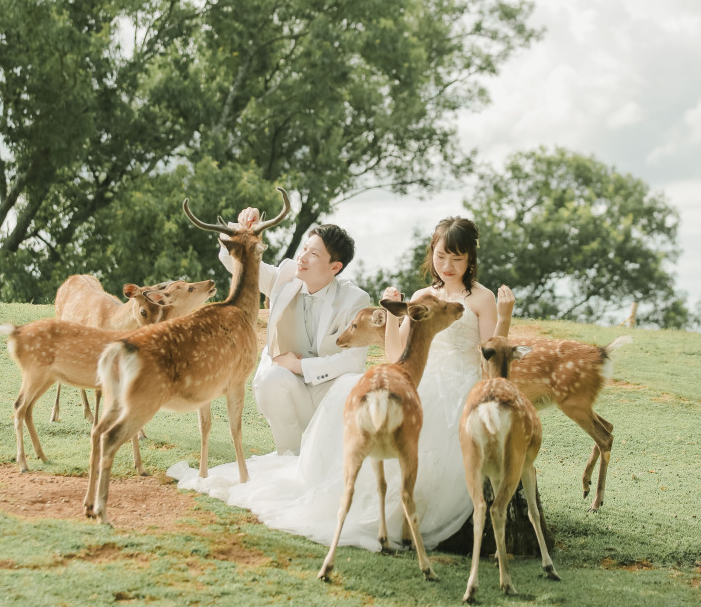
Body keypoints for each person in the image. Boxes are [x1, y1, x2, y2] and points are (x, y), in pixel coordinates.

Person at [169, 214, 514, 551]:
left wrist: (505, 316)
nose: (447, 265)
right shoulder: (423, 295)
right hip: (418, 378)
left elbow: (491, 357)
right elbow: (397, 354)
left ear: (470, 260)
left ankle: (406, 512)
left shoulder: (481, 299)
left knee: (420, 431)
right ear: (431, 254)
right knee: (346, 395)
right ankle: (336, 488)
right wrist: (394, 315)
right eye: (441, 256)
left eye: (457, 258)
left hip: (458, 384)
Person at [218, 209, 370, 455]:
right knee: (272, 378)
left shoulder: (355, 300)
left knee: (352, 386)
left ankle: (328, 457)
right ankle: (287, 457)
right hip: (288, 389)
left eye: (313, 254)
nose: (302, 257)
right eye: (304, 249)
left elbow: (354, 361)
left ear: (335, 266)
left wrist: (300, 366)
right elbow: (233, 259)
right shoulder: (284, 279)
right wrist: (243, 228)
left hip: (328, 394)